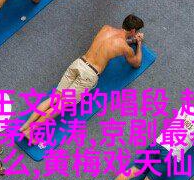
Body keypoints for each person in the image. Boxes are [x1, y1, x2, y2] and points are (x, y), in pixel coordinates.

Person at [19, 14, 144, 144]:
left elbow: (110, 43)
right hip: (88, 75)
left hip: (78, 63)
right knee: (60, 106)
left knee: (54, 98)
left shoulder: (106, 28)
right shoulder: (125, 48)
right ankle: (30, 131)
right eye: (137, 31)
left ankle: (24, 126)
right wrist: (139, 43)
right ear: (133, 31)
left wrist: (132, 40)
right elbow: (136, 63)